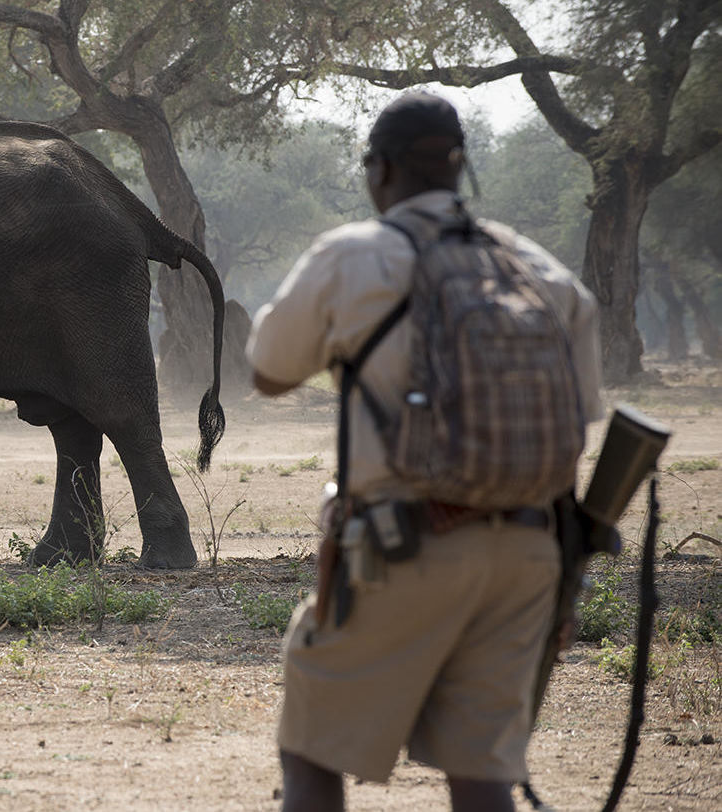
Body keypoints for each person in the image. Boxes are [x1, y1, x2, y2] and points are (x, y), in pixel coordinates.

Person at [246, 92, 604, 812]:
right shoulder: (541, 272)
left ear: (377, 170)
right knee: (482, 776)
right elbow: (581, 417)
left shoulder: (354, 255)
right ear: (459, 167)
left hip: (403, 545)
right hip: (531, 556)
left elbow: (268, 371)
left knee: (312, 745)